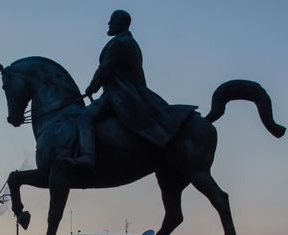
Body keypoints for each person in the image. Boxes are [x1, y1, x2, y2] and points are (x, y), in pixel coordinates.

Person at [65, 10, 195, 169]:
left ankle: (88, 156)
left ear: (121, 23)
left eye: (112, 20)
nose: (108, 23)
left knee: (84, 119)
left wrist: (92, 87)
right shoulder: (129, 42)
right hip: (129, 92)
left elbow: (105, 68)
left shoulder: (119, 43)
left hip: (119, 93)